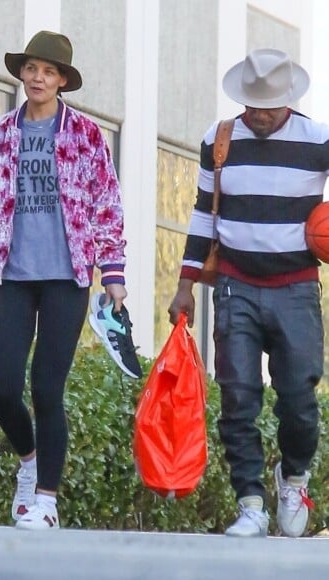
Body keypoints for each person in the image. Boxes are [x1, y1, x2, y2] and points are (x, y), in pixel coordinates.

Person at [0, 30, 130, 530]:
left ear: (62, 80)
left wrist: (113, 273)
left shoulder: (88, 137)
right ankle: (28, 460)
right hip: (13, 276)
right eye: (31, 69)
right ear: (21, 74)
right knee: (3, 386)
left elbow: (107, 208)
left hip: (68, 278)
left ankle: (45, 500)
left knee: (46, 388)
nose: (38, 78)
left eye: (48, 71)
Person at [168, 48, 327, 538]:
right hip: (235, 285)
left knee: (299, 396)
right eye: (252, 104)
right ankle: (251, 503)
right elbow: (200, 213)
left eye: (269, 106)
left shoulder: (318, 140)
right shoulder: (218, 140)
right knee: (238, 395)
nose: (259, 114)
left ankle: (293, 476)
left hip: (296, 288)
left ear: (289, 101)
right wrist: (185, 284)